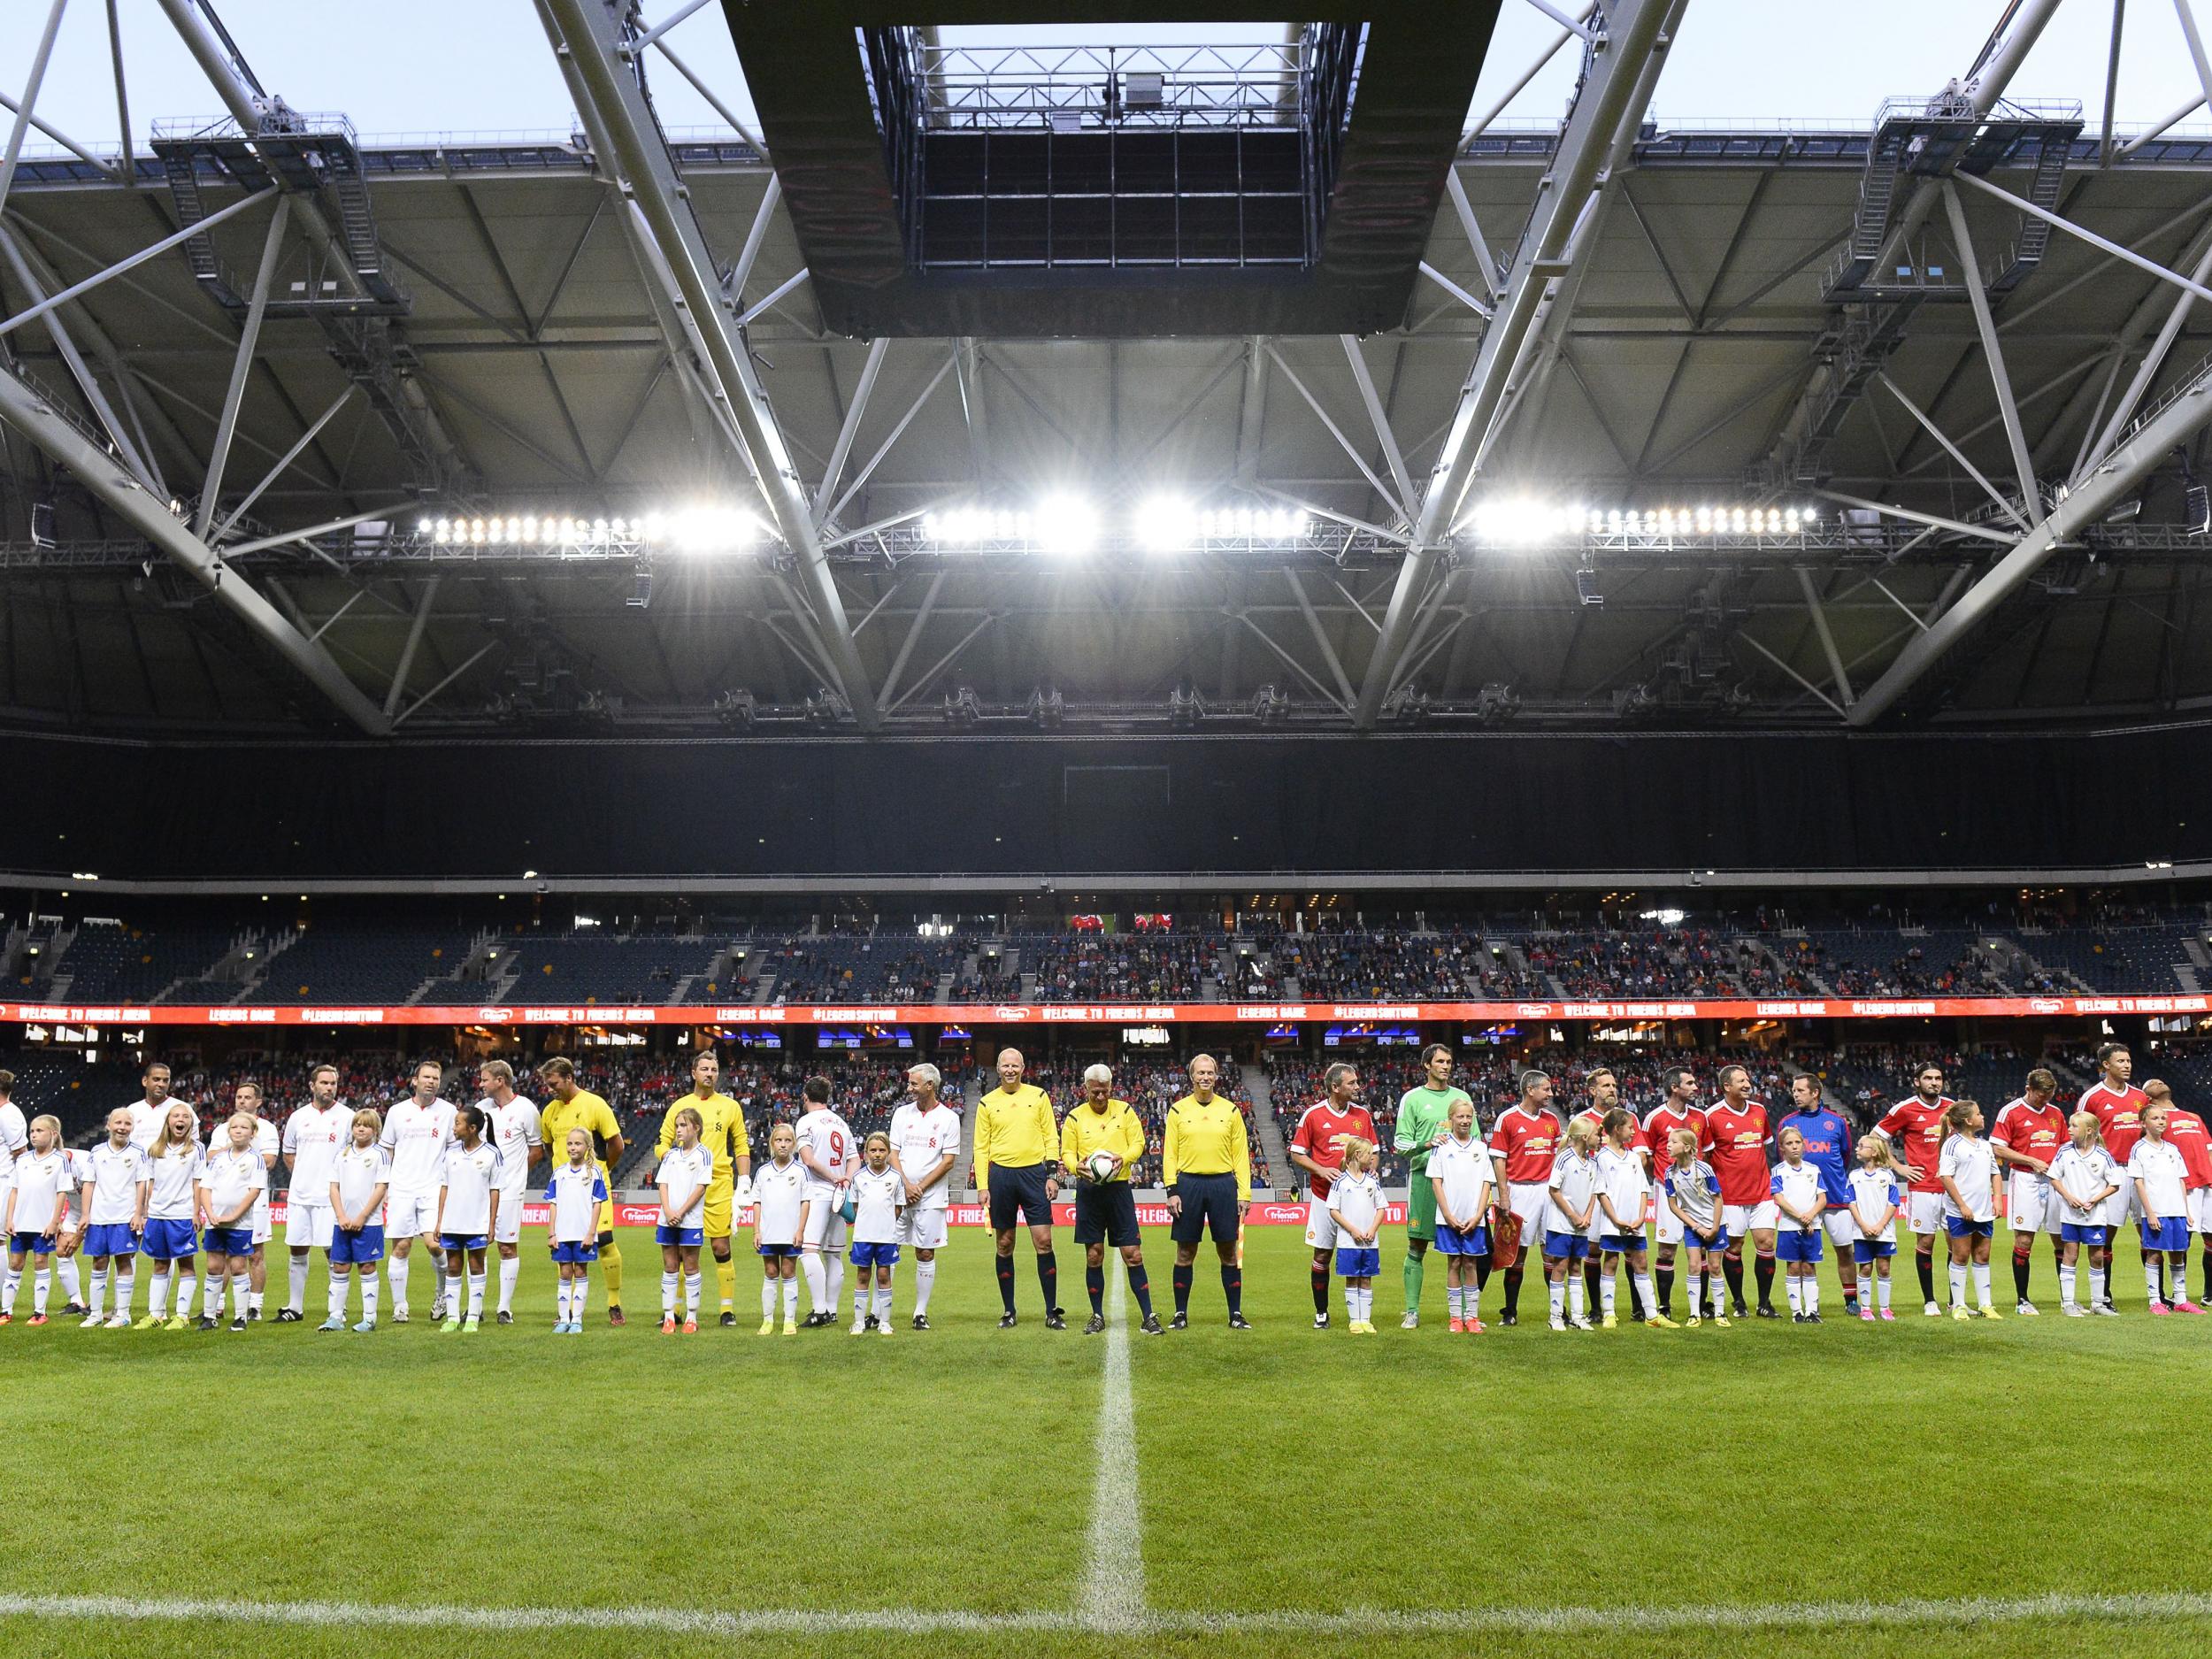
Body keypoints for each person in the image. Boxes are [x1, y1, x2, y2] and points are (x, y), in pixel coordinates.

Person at [1058, 1064, 1160, 1337]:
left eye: (1104, 1092)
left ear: (1111, 1088)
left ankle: (1148, 1316)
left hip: (1118, 1191)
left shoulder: (1125, 1112)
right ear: (1086, 1089)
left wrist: (1122, 1158)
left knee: (1133, 1254)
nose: (1100, 1097)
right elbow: (1067, 1151)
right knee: (1094, 1255)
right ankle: (1097, 1315)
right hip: (1089, 1192)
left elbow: (1138, 1144)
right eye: (1094, 1092)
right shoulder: (1075, 1118)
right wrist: (1074, 1167)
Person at [655, 1050, 750, 1328]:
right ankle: (674, 1310)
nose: (710, 1074)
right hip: (685, 1186)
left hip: (719, 1185)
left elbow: (741, 1145)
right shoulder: (679, 1106)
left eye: (714, 1070)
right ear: (694, 1073)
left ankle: (727, 1309)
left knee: (721, 1246)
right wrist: (672, 1159)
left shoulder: (730, 1106)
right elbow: (662, 1141)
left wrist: (743, 1181)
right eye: (704, 1069)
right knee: (683, 1250)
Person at [1163, 1052, 1253, 1331]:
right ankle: (1180, 1314)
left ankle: (1235, 1314)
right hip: (1188, 1184)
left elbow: (1241, 1155)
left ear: (1216, 1076)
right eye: (1200, 1073)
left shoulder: (1231, 1110)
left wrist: (1244, 1193)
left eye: (1210, 1073)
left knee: (1228, 1251)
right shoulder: (1178, 1111)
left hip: (1223, 1185)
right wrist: (1172, 1190)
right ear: (1192, 1077)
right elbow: (1169, 1153)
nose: (1205, 1077)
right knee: (1185, 1251)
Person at [973, 1047, 1062, 1330]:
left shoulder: (1038, 1096)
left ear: (1023, 1068)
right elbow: (980, 1147)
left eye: (1015, 1066)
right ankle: (1009, 1311)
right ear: (998, 1069)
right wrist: (983, 1186)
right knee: (1004, 1243)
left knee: (1043, 1241)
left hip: (1034, 1175)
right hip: (1001, 1177)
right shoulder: (987, 1103)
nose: (1010, 1070)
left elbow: (1050, 1136)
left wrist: (1052, 1175)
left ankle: (1051, 1311)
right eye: (1005, 1066)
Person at [536, 1057, 628, 1325]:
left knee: (604, 1238)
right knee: (564, 1244)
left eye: (554, 1083)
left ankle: (614, 1304)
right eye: (547, 1084)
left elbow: (616, 1144)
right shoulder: (549, 1112)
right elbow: (548, 1146)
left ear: (568, 1078)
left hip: (593, 1185)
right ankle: (567, 1311)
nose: (551, 1089)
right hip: (564, 1190)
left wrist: (600, 1168)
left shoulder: (594, 1104)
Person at [1288, 1061, 1376, 1331]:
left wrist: (1370, 1174)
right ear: (1335, 1087)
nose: (1357, 1087)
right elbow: (1296, 1153)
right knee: (1323, 1255)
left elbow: (1374, 1152)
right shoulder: (1313, 1116)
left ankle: (1359, 1316)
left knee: (1359, 1254)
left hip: (1356, 1201)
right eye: (1352, 1083)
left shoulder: (1363, 1115)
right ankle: (1322, 1313)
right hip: (1324, 1197)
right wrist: (1321, 1169)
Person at [1391, 1044, 1468, 1329]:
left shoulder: (1461, 1098)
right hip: (1423, 1180)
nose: (1446, 1066)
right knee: (1417, 1244)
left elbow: (1475, 1142)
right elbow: (1400, 1144)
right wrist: (1427, 1144)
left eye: (1449, 1061)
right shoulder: (1412, 1099)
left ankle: (1463, 1314)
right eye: (1440, 1061)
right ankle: (1412, 1310)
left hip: (1457, 1184)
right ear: (1427, 1065)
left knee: (1462, 1249)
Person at [1872, 1061, 1955, 1317]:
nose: (1934, 1082)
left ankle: (1956, 1300)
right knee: (1926, 1242)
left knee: (1957, 1246)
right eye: (1928, 1078)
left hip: (1952, 1188)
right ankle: (1930, 1300)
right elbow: (1876, 1138)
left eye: (1938, 1078)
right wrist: (1899, 1167)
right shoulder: (1904, 1109)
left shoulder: (1953, 1108)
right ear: (1917, 1081)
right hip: (1922, 1187)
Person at [380, 1060, 457, 1325]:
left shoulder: (448, 1111)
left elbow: (454, 1151)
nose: (431, 1081)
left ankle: (442, 1294)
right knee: (401, 1247)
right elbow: (387, 1150)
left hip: (434, 1187)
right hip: (401, 1187)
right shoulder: (397, 1112)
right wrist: (383, 1186)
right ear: (414, 1081)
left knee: (435, 1245)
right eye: (426, 1077)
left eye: (435, 1078)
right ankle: (400, 1306)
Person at [1487, 1070, 1564, 1327]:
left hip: (1547, 1190)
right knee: (1515, 1255)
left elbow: (1558, 1157)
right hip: (1519, 1190)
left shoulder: (1552, 1120)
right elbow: (1499, 1159)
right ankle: (1510, 1312)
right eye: (1546, 1089)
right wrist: (1504, 1195)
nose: (1550, 1094)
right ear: (1530, 1090)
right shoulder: (1507, 1119)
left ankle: (1558, 1311)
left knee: (1551, 1252)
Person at [887, 1063, 960, 1331]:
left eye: (914, 1084)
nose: (909, 1088)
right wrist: (906, 1185)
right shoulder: (901, 1114)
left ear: (930, 1085)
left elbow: (948, 1161)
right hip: (898, 1194)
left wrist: (920, 1188)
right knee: (888, 1249)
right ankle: (880, 1310)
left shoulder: (949, 1118)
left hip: (930, 1197)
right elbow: (893, 1153)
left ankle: (920, 1312)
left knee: (925, 1252)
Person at [1778, 1073, 1858, 1315]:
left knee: (1844, 1249)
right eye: (1794, 1090)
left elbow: (1845, 1156)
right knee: (1802, 1257)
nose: (1795, 1094)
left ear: (1815, 1093)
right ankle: (1804, 1307)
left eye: (1801, 1090)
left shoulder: (1837, 1122)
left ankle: (1851, 1300)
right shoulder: (1787, 1123)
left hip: (1834, 1198)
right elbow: (1782, 1164)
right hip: (1801, 1205)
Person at [1991, 1069, 2069, 1317]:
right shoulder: (2011, 1112)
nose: (2044, 1101)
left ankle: (2067, 1299)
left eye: (2049, 1095)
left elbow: (2065, 1146)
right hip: (2025, 1178)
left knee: (2062, 1239)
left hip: (2054, 1181)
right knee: (2024, 1240)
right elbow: (1997, 1148)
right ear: (2029, 1089)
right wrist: (2031, 1160)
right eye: (2039, 1096)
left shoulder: (2056, 1113)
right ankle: (2022, 1300)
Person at [2077, 1044, 2147, 1312]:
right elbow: (2080, 1134)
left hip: (2139, 1170)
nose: (2127, 1065)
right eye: (2120, 1061)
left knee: (2150, 1232)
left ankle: (2158, 1296)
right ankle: (2103, 1296)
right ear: (2106, 1065)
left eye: (2129, 1060)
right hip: (2112, 1172)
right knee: (2106, 1235)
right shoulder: (2092, 1097)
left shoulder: (2141, 1096)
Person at [280, 1064, 350, 1324]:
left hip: (331, 1198)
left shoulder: (347, 1116)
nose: (329, 1088)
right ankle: (295, 1307)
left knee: (333, 1253)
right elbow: (288, 1152)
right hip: (300, 1196)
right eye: (324, 1083)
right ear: (312, 1086)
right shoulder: (298, 1117)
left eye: (332, 1083)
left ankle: (337, 1310)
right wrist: (302, 1177)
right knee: (297, 1250)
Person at [1571, 1070, 1643, 1320]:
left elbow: (1641, 1155)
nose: (1612, 1089)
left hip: (1622, 1195)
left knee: (1631, 1251)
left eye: (1614, 1085)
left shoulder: (1627, 1118)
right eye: (1605, 1086)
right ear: (1593, 1091)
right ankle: (1595, 1309)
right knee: (1593, 1251)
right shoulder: (1583, 1119)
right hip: (1593, 1196)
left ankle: (1638, 1308)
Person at [1706, 1064, 1775, 1318]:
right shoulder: (1711, 1116)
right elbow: (1706, 1156)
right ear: (1726, 1086)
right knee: (1734, 1246)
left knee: (1767, 1243)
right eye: (1741, 1081)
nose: (1747, 1084)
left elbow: (1766, 1147)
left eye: (1748, 1080)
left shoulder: (1760, 1111)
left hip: (1761, 1193)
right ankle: (1738, 1302)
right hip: (1730, 1196)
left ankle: (1765, 1303)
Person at [478, 1060, 543, 1327]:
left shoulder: (526, 1108)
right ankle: (475, 1307)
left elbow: (536, 1149)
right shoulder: (480, 1110)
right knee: (476, 1248)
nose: (481, 1084)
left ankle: (504, 1309)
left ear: (500, 1080)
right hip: (479, 1191)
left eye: (485, 1080)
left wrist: (514, 1172)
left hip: (510, 1191)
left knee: (506, 1247)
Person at [1641, 1066, 1709, 1320]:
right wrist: (1664, 1177)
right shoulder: (1655, 1117)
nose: (1695, 1087)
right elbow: (1646, 1157)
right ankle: (1665, 1307)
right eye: (1689, 1083)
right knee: (1667, 1250)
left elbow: (1706, 1153)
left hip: (1697, 1193)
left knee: (1700, 1250)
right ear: (1674, 1087)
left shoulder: (1701, 1117)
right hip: (1667, 1190)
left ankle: (1701, 1305)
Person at [195, 1112, 266, 1332]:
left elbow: (254, 1192)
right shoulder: (217, 1159)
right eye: (234, 1127)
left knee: (237, 1266)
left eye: (244, 1128)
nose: (238, 1131)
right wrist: (210, 1213)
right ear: (229, 1132)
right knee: (214, 1266)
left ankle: (241, 1317)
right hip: (215, 1223)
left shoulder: (255, 1159)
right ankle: (209, 1315)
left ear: (252, 1133)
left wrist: (233, 1216)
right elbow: (205, 1187)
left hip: (239, 1224)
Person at [78, 1109, 149, 1329]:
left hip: (124, 1217)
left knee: (123, 1261)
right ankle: (96, 1313)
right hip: (99, 1217)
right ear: (108, 1125)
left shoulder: (139, 1152)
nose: (122, 1127)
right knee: (98, 1262)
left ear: (133, 1127)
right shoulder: (97, 1152)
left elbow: (142, 1184)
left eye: (127, 1123)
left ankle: (123, 1314)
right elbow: (88, 1183)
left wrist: (139, 1214)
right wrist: (86, 1214)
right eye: (118, 1122)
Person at [795, 1076, 857, 1328]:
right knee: (834, 1255)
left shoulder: (806, 1121)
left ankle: (819, 1310)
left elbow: (808, 1160)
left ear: (805, 1097)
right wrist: (845, 1180)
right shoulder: (841, 1123)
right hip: (839, 1195)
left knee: (809, 1251)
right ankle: (832, 1310)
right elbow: (855, 1159)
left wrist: (833, 1178)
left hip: (818, 1192)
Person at [2128, 1100, 2200, 1316]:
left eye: (2163, 1118)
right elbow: (2138, 1182)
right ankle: (2154, 1300)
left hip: (2176, 1210)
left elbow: (2181, 1180)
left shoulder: (2172, 1149)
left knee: (2178, 1253)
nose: (2161, 1122)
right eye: (2155, 1118)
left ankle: (2180, 1299)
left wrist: (2185, 1210)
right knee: (2155, 1254)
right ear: (2143, 1123)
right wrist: (2149, 1212)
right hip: (2156, 1211)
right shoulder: (2139, 1149)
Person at [1595, 1106, 1663, 1331]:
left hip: (1636, 1222)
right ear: (1616, 1129)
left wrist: (1642, 1217)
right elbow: (1601, 1192)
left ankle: (1652, 1314)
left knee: (1641, 1262)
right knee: (1612, 1261)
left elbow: (1644, 1190)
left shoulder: (1634, 1157)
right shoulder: (1602, 1158)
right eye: (1630, 1128)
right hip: (1614, 1222)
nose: (1634, 1132)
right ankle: (1609, 1313)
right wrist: (1615, 1219)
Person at [434, 1102, 499, 1333]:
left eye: (458, 1124)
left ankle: (472, 1316)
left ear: (472, 1128)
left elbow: (495, 1190)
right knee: (452, 1266)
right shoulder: (450, 1154)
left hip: (477, 1222)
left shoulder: (492, 1154)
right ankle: (452, 1318)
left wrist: (491, 1224)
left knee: (476, 1265)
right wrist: (439, 1221)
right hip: (452, 1221)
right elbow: (444, 1187)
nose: (454, 1128)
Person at [1428, 1097, 1492, 1334]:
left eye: (1468, 1116)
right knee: (1454, 1263)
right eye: (1460, 1116)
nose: (1465, 1121)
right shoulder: (1442, 1147)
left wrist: (1478, 1215)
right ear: (1451, 1119)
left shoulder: (1481, 1148)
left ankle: (1472, 1317)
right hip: (1449, 1219)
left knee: (1471, 1264)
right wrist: (1447, 1214)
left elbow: (1487, 1183)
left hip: (1475, 1218)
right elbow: (1436, 1182)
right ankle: (1455, 1317)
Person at [2146, 1080, 2212, 1307]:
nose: (2157, 1081)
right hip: (2185, 1185)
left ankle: (2209, 1294)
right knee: (2182, 1241)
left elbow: (2209, 1149)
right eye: (2150, 1083)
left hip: (2208, 1184)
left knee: (2211, 1238)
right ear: (2148, 1098)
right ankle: (2176, 1295)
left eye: (2159, 1080)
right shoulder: (2156, 1121)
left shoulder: (2193, 1117)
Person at [2049, 1111, 2121, 1317]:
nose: (2069, 1129)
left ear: (2089, 1130)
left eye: (2074, 1126)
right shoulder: (2065, 1151)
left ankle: (2098, 1303)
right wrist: (2068, 1197)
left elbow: (2115, 1183)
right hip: (2070, 1215)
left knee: (2097, 1257)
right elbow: (2054, 1177)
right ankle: (2068, 1303)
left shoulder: (2103, 1155)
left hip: (2096, 1215)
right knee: (2070, 1254)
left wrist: (2095, 1199)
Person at [138, 1103, 203, 1331]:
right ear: (168, 1121)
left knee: (186, 1264)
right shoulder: (155, 1149)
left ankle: (182, 1315)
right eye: (176, 1115)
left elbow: (198, 1183)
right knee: (159, 1264)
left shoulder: (197, 1149)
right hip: (157, 1215)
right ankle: (156, 1314)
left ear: (190, 1124)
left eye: (185, 1116)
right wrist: (145, 1213)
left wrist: (196, 1212)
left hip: (182, 1215)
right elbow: (151, 1183)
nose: (180, 1119)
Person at [1, 1114, 70, 1325]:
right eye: (32, 1131)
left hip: (43, 1224)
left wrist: (54, 1222)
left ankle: (40, 1312)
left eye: (39, 1131)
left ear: (53, 1134)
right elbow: (14, 1191)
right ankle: (6, 1311)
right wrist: (9, 1219)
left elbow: (62, 1193)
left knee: (40, 1262)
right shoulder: (22, 1160)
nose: (34, 1135)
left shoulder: (60, 1161)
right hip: (21, 1222)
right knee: (15, 1263)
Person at [1938, 1099, 2002, 1321]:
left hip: (1984, 1211)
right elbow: (1946, 1176)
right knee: (1961, 1255)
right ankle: (1958, 1305)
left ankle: (1986, 1305)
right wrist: (1962, 1205)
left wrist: (1997, 1200)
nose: (1982, 1116)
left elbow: (1995, 1173)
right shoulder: (1952, 1144)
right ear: (1967, 1120)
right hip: (1960, 1212)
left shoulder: (1984, 1145)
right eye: (1978, 1113)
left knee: (1983, 1256)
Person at [326, 1109, 389, 1332]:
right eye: (357, 1124)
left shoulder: (379, 1154)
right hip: (342, 1222)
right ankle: (335, 1317)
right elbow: (333, 1187)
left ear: (375, 1130)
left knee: (367, 1266)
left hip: (369, 1223)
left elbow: (381, 1187)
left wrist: (362, 1216)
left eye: (367, 1125)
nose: (361, 1128)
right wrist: (341, 1215)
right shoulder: (342, 1154)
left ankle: (369, 1318)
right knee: (340, 1266)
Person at [1663, 1128, 1728, 1326]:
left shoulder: (1705, 1170)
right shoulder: (1670, 1173)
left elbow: (1718, 1200)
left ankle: (1720, 1313)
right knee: (1693, 1266)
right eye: (1668, 1141)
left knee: (1715, 1267)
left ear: (1687, 1147)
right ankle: (1694, 1314)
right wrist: (1696, 1226)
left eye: (1674, 1142)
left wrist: (1715, 1228)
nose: (1668, 1145)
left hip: (1715, 1224)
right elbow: (1673, 1206)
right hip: (1693, 1227)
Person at [1542, 1118, 1601, 1332]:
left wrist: (1586, 1216)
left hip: (1581, 1225)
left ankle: (1578, 1315)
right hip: (1561, 1225)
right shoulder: (1564, 1159)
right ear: (1585, 1137)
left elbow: (1595, 1191)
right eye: (1596, 1134)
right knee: (1560, 1267)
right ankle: (1556, 1316)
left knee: (1576, 1267)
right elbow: (1553, 1189)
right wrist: (1573, 1216)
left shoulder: (1593, 1162)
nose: (1599, 1137)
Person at [656, 1106, 710, 1335]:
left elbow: (701, 1188)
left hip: (690, 1220)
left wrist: (681, 1212)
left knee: (690, 1267)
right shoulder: (670, 1155)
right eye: (677, 1125)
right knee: (669, 1267)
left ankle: (691, 1317)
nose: (678, 1130)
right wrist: (668, 1211)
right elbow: (663, 1184)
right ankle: (669, 1316)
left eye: (683, 1125)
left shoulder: (704, 1154)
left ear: (696, 1128)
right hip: (666, 1219)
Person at [547, 1126, 605, 1335]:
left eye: (578, 1143)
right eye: (570, 1143)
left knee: (580, 1272)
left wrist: (591, 1232)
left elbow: (597, 1204)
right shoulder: (559, 1173)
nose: (573, 1147)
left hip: (583, 1233)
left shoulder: (594, 1173)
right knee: (564, 1272)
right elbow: (552, 1203)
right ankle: (564, 1319)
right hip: (563, 1233)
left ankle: (577, 1320)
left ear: (588, 1147)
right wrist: (552, 1232)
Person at [229, 1083, 280, 1322]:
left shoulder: (267, 1129)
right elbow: (210, 1159)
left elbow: (269, 1161)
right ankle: (218, 1306)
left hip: (256, 1201)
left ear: (258, 1102)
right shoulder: (223, 1128)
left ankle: (255, 1306)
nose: (242, 1101)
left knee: (256, 1255)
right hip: (226, 1200)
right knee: (225, 1254)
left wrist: (235, 1159)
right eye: (239, 1097)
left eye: (247, 1097)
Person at [849, 1132, 903, 1336]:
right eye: (873, 1150)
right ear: (866, 1154)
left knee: (883, 1276)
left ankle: (885, 1321)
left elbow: (898, 1209)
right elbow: (855, 1207)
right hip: (863, 1237)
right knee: (863, 1275)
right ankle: (858, 1322)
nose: (877, 1154)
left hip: (886, 1238)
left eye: (882, 1150)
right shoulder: (859, 1177)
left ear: (889, 1153)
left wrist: (885, 1224)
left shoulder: (895, 1178)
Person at [1769, 1125, 1825, 1324]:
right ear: (1782, 1148)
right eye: (1789, 1143)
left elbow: (1822, 1198)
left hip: (1813, 1226)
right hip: (1789, 1227)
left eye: (1797, 1143)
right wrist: (1803, 1218)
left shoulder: (1813, 1170)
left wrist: (1811, 1215)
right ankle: (1796, 1312)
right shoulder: (1778, 1171)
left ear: (1803, 1145)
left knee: (1809, 1267)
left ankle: (1811, 1311)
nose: (1794, 1147)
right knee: (1793, 1268)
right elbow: (1779, 1199)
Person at [1327, 1138, 1384, 1334]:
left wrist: (1373, 1229)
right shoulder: (1340, 1182)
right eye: (1369, 1155)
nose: (1372, 1159)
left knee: (1366, 1279)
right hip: (1348, 1242)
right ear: (1357, 1156)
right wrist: (1352, 1229)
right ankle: (1354, 1320)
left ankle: (1366, 1320)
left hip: (1370, 1241)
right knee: (1352, 1279)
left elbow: (1381, 1208)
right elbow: (1333, 1210)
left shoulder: (1372, 1181)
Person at [753, 1122, 803, 1335]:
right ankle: (768, 1320)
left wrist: (800, 1230)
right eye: (779, 1140)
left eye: (788, 1140)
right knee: (771, 1271)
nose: (783, 1145)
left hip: (790, 1232)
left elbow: (806, 1201)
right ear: (772, 1143)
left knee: (789, 1271)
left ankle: (789, 1321)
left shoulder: (801, 1171)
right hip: (769, 1232)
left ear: (794, 1144)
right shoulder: (763, 1172)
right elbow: (757, 1201)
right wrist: (756, 1230)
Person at [1847, 1134, 1903, 1322]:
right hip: (1861, 1232)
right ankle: (1865, 1308)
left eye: (1862, 1146)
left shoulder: (1887, 1176)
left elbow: (1893, 1202)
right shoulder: (1854, 1176)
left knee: (1884, 1268)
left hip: (1884, 1232)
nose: (1857, 1149)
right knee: (1864, 1268)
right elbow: (1851, 1203)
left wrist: (1880, 1225)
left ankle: (1885, 1308)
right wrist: (1863, 1225)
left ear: (1874, 1152)